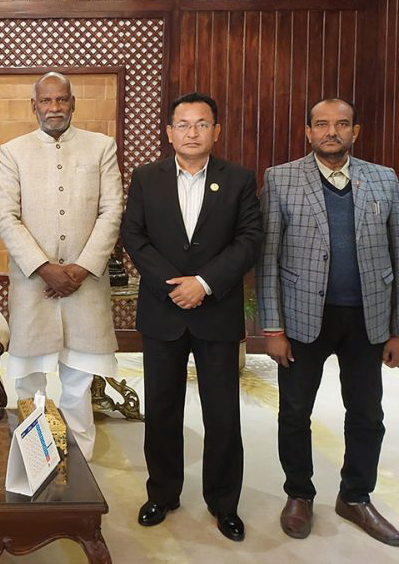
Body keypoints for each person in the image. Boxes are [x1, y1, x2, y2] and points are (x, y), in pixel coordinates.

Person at [256, 98, 399, 546]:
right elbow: (267, 259)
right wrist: (273, 328)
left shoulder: (384, 179)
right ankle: (299, 494)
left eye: (342, 124)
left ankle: (356, 497)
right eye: (322, 124)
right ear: (308, 131)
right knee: (294, 412)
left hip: (368, 317)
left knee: (367, 413)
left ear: (355, 132)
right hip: (302, 318)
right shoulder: (281, 178)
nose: (332, 132)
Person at [120, 92, 263, 541]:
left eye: (202, 124)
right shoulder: (147, 178)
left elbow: (249, 239)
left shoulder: (238, 179)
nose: (192, 132)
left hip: (215, 310)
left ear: (216, 131)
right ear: (169, 132)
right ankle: (162, 493)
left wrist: (203, 283)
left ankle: (224, 504)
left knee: (222, 415)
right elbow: (134, 236)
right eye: (183, 124)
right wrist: (175, 286)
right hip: (163, 311)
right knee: (162, 410)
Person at [0, 72, 123, 461]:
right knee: (28, 380)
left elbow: (112, 210)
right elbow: (6, 217)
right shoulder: (14, 151)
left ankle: (80, 463)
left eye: (61, 100)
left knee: (78, 383)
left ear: (72, 104)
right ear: (34, 106)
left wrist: (82, 268)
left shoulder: (100, 147)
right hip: (34, 285)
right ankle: (35, 458)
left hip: (86, 286)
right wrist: (44, 268)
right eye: (46, 101)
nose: (54, 108)